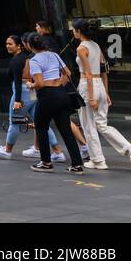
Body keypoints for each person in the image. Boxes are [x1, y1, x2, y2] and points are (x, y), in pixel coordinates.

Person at [73, 19, 131, 171]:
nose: (73, 32)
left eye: (74, 30)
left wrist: (91, 97)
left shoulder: (81, 48)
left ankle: (98, 160)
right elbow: (104, 69)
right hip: (99, 85)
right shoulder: (96, 46)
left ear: (79, 32)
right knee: (102, 125)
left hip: (88, 86)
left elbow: (88, 74)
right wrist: (105, 92)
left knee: (88, 125)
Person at [0, 33, 62, 160]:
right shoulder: (28, 57)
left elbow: (17, 81)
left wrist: (17, 100)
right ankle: (57, 151)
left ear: (19, 46)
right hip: (32, 92)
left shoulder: (16, 61)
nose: (7, 46)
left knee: (14, 121)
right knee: (41, 123)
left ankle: (7, 150)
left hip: (22, 92)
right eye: (6, 44)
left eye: (10, 44)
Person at [27, 33, 84, 173]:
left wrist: (30, 85)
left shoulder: (34, 61)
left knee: (41, 127)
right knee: (66, 131)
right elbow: (68, 73)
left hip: (47, 96)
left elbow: (39, 83)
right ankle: (77, 164)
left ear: (30, 46)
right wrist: (59, 84)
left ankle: (46, 162)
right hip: (61, 94)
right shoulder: (54, 55)